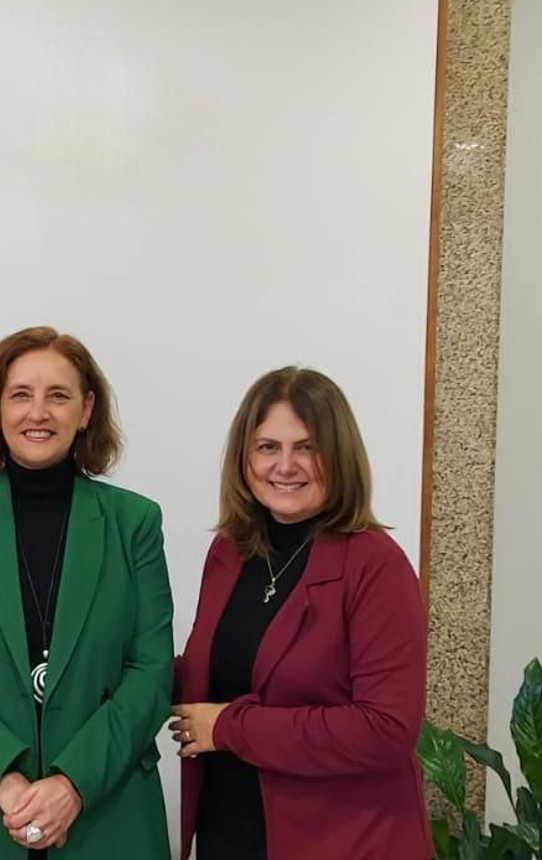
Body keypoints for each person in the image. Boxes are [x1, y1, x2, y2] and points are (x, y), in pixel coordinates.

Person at [0, 326, 174, 859]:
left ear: (86, 409)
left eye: (59, 396)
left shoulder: (135, 522)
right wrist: (6, 780)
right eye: (21, 395)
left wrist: (73, 784)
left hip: (104, 809)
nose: (38, 413)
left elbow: (151, 672)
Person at [169, 366, 431, 860]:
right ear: (245, 459)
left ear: (339, 456)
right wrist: (126, 665)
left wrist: (228, 728)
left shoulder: (376, 565)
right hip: (229, 830)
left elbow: (385, 729)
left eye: (306, 447)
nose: (285, 465)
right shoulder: (230, 552)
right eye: (268, 447)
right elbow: (214, 676)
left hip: (344, 841)